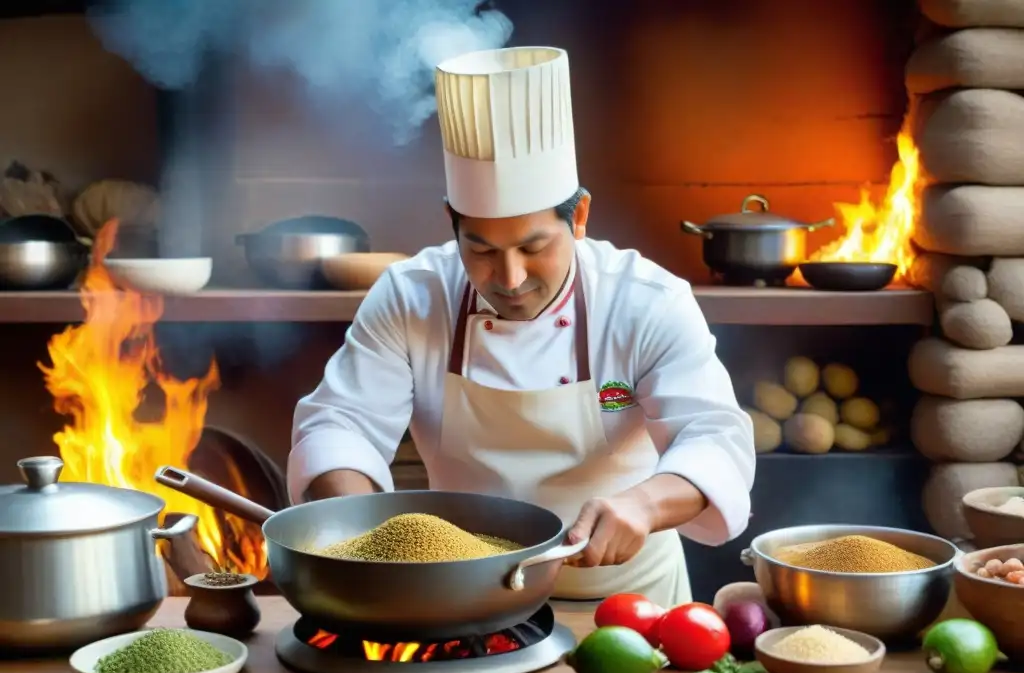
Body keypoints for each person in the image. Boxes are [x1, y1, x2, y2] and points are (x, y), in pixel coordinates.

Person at [287, 46, 755, 607]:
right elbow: (343, 425)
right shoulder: (411, 296)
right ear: (451, 223)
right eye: (480, 249)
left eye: (534, 247)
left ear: (578, 216)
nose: (508, 277)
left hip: (629, 604)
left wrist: (645, 504)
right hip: (465, 598)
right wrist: (361, 540)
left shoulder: (646, 302)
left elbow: (714, 438)